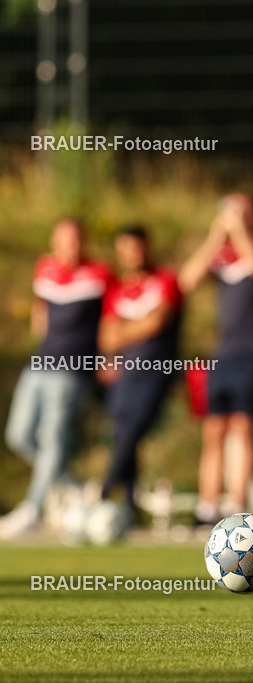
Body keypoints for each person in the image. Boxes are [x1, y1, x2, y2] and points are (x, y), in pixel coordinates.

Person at [2, 218, 114, 539]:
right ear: (54, 242)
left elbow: (109, 319)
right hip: (38, 364)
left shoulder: (100, 274)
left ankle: (32, 509)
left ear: (85, 241)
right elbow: (40, 312)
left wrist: (105, 358)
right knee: (19, 435)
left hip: (72, 369)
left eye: (77, 239)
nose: (71, 245)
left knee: (54, 438)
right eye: (65, 239)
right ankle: (71, 484)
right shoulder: (46, 268)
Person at [178, 193, 253, 524]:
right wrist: (214, 237)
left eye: (242, 211)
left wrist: (237, 231)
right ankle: (207, 507)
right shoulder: (221, 255)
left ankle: (235, 505)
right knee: (214, 430)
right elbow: (187, 280)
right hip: (223, 354)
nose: (234, 216)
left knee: (243, 427)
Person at [97, 225, 182, 516]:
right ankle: (129, 507)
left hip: (156, 369)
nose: (132, 254)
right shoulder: (118, 290)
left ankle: (104, 490)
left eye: (136, 247)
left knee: (135, 428)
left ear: (147, 246)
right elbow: (107, 337)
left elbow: (157, 323)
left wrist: (125, 329)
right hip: (124, 373)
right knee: (122, 432)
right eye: (125, 249)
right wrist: (139, 326)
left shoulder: (166, 280)